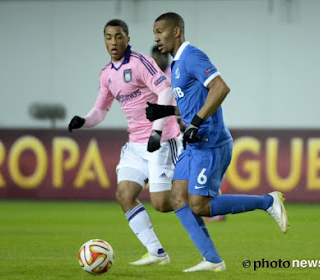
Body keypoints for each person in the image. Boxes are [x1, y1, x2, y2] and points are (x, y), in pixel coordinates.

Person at [146, 12, 288, 272]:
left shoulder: (192, 56)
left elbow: (221, 88)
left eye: (159, 31)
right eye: (154, 33)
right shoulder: (177, 64)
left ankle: (268, 202)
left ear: (176, 31)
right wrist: (166, 112)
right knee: (178, 198)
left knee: (200, 205)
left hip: (210, 143)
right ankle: (212, 260)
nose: (156, 38)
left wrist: (198, 122)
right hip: (195, 144)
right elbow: (192, 106)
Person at [68, 19, 182, 266]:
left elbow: (166, 92)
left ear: (127, 39)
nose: (113, 42)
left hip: (161, 139)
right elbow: (100, 110)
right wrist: (84, 121)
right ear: (104, 41)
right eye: (108, 37)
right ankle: (157, 253)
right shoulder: (106, 75)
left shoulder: (141, 63)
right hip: (135, 146)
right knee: (124, 194)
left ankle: (200, 199)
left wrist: (156, 132)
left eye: (118, 36)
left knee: (162, 204)